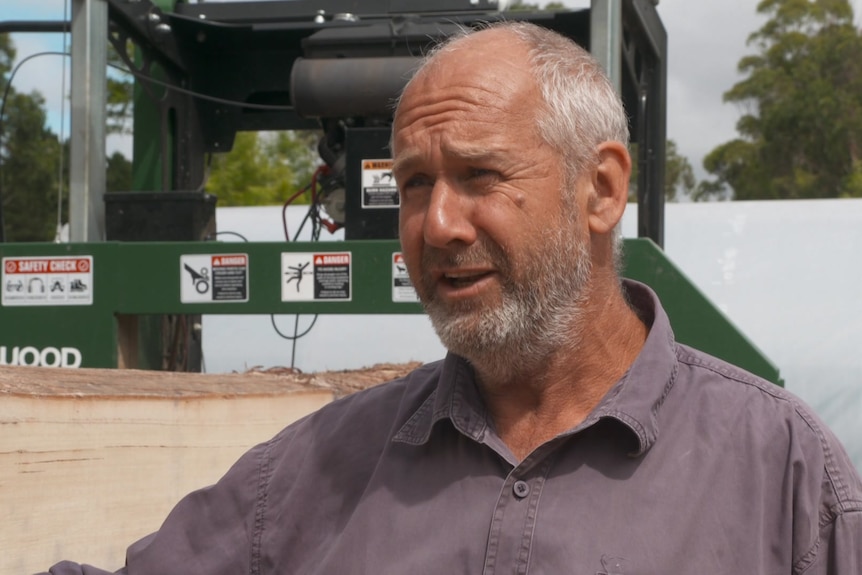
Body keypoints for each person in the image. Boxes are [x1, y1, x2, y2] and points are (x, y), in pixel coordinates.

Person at [43, 21, 861, 575]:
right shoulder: (315, 473)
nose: (436, 224)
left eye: (479, 176)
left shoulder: (782, 479)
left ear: (603, 189)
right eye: (413, 184)